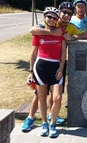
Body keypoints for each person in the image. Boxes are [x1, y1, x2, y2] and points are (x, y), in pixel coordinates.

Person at [22, 2, 86, 133]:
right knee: (39, 94)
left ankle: (52, 116)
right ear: (59, 12)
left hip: (58, 62)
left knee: (56, 95)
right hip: (43, 64)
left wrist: (71, 37)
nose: (66, 15)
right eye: (64, 12)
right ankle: (30, 117)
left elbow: (85, 35)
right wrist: (51, 32)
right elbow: (33, 30)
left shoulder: (69, 27)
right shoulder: (53, 22)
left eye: (69, 13)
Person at [28, 7, 66, 138]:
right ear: (44, 17)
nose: (51, 19)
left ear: (57, 20)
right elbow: (33, 54)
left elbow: (63, 53)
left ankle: (53, 123)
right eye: (49, 17)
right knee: (42, 98)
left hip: (55, 66)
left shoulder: (60, 32)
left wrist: (61, 68)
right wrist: (31, 70)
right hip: (41, 66)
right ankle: (44, 123)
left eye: (54, 18)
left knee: (57, 98)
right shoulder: (39, 33)